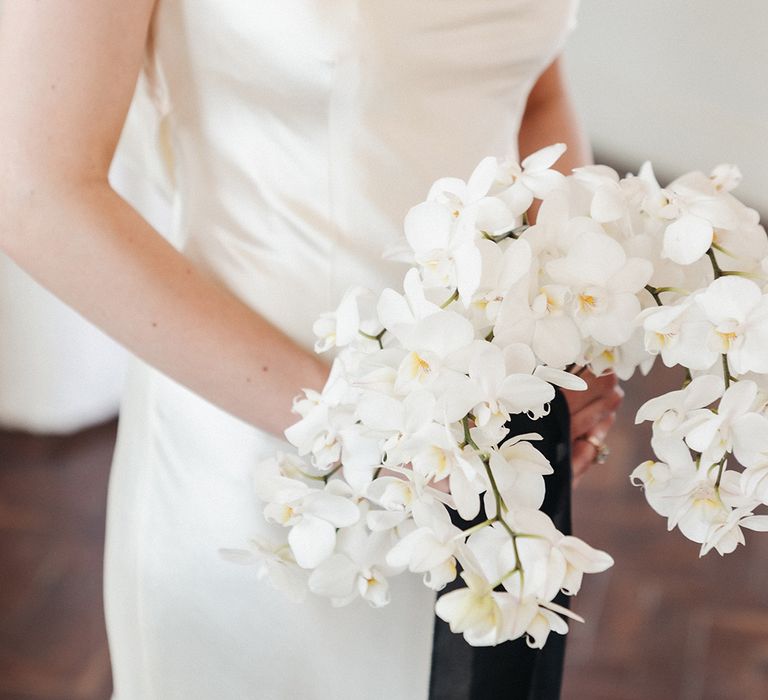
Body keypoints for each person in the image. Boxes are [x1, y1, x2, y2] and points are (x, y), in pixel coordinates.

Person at [0, 1, 622, 697]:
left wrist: (567, 317)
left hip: (489, 430)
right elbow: (33, 193)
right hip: (266, 450)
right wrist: (355, 428)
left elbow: (535, 93)